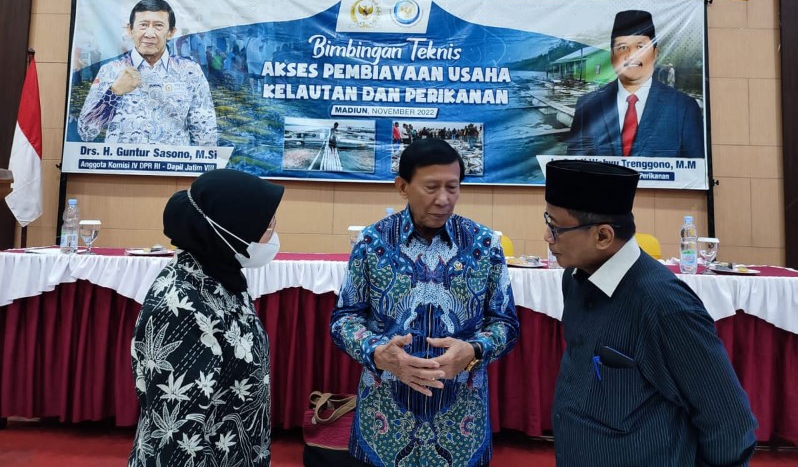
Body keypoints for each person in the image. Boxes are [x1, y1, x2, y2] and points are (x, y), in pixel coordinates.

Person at [544, 159, 757, 466]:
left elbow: (729, 421)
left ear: (603, 236)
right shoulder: (575, 279)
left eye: (556, 228)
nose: (547, 237)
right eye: (547, 222)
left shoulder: (665, 306)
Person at [330, 138, 519, 466]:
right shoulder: (372, 242)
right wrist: (377, 352)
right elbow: (344, 318)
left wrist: (474, 351)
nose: (443, 199)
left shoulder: (485, 244)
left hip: (461, 424)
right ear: (402, 187)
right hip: (385, 421)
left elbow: (506, 323)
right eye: (431, 187)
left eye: (452, 187)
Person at [129, 168, 284, 467]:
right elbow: (177, 432)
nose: (273, 233)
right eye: (266, 225)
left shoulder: (221, 278)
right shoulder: (179, 306)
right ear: (228, 229)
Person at [78, 0, 218, 145]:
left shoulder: (190, 71)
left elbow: (206, 135)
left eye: (158, 26)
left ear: (171, 32)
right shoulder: (110, 71)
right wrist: (113, 93)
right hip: (121, 159)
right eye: (143, 25)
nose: (149, 34)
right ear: (130, 30)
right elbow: (86, 132)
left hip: (172, 159)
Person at [567, 10, 704, 158]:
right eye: (623, 47)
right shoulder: (587, 107)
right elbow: (573, 165)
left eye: (641, 47)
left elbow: (695, 169)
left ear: (655, 53)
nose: (632, 55)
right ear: (612, 57)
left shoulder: (684, 108)